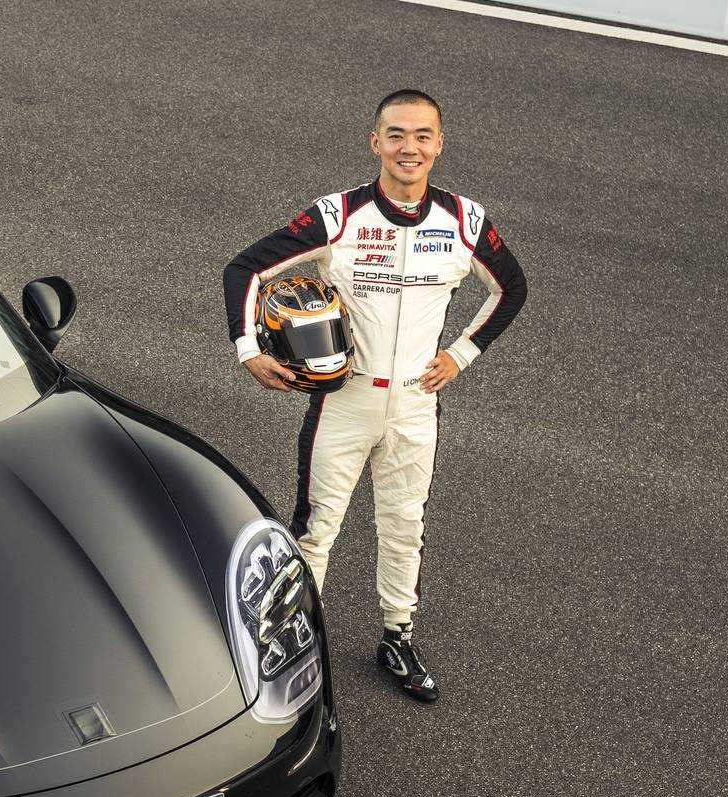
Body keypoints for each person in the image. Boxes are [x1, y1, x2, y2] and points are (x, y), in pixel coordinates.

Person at [222, 89, 527, 702]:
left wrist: (460, 354)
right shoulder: (338, 215)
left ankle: (398, 636)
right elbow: (246, 270)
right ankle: (291, 645)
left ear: (439, 144)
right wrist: (249, 349)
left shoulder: (465, 221)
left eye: (421, 136)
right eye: (396, 135)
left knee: (404, 524)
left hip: (417, 403)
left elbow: (512, 289)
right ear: (375, 142)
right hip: (345, 400)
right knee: (317, 531)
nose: (408, 147)